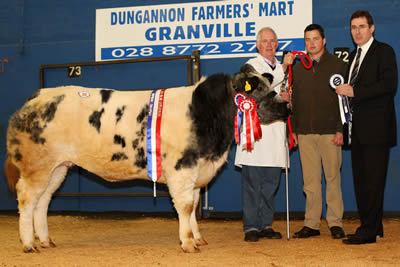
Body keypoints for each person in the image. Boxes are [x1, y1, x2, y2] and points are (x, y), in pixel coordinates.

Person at [336, 10, 398, 245]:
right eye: (353, 27)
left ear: (372, 28)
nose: (357, 31)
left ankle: (368, 230)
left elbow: (389, 85)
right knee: (362, 181)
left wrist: (355, 91)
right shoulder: (352, 57)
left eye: (362, 26)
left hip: (377, 130)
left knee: (373, 182)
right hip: (357, 130)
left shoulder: (384, 51)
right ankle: (374, 225)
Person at [235, 27, 295, 242]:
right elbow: (258, 90)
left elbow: (282, 97)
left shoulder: (282, 67)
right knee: (253, 181)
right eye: (265, 42)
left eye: (273, 41)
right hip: (257, 130)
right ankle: (251, 226)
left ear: (277, 44)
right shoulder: (250, 66)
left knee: (271, 182)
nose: (269, 45)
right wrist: (284, 71)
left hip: (277, 130)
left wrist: (288, 100)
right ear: (258, 45)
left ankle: (266, 224)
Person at [291, 24, 347, 239]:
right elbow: (294, 102)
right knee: (310, 181)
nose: (311, 43)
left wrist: (340, 129)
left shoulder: (338, 65)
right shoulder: (297, 68)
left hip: (330, 132)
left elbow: (344, 102)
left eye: (315, 39)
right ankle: (312, 224)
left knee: (333, 178)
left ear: (324, 41)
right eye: (307, 39)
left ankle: (335, 222)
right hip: (305, 132)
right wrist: (294, 129)